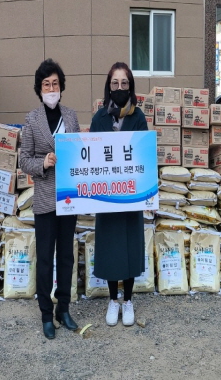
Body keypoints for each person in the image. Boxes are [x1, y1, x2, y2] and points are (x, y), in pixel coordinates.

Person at [19, 59, 80, 340]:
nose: (51, 88)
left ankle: (63, 308)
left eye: (55, 83)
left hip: (69, 196)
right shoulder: (32, 119)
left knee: (66, 256)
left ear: (61, 86)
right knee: (44, 258)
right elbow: (24, 160)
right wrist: (42, 163)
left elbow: (80, 152)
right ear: (39, 89)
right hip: (44, 196)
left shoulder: (71, 116)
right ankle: (46, 312)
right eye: (46, 84)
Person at [89, 62, 148, 327]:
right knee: (111, 247)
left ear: (130, 86)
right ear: (108, 86)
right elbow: (89, 157)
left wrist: (148, 192)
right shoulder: (99, 118)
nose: (120, 88)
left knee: (130, 247)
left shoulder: (139, 117)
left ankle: (128, 300)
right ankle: (113, 300)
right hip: (107, 195)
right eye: (115, 83)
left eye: (124, 83)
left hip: (131, 193)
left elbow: (145, 157)